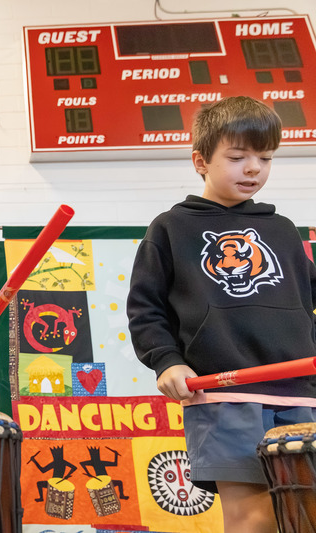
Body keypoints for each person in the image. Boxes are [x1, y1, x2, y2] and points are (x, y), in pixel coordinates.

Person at [126, 96, 316, 533]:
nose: (253, 168)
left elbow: (308, 299)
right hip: (225, 395)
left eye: (265, 158)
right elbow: (145, 307)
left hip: (299, 392)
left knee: (304, 515)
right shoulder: (170, 228)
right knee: (254, 517)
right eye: (237, 157)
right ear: (201, 161)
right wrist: (167, 360)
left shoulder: (284, 230)